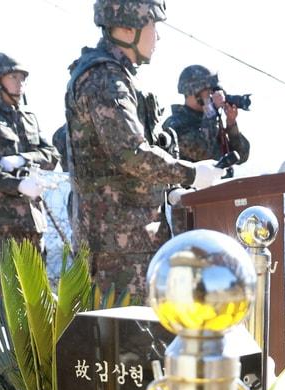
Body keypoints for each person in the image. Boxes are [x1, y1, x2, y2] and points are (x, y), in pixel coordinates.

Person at [63, 0, 224, 300]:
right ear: (127, 28)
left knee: (139, 342)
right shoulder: (104, 79)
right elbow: (131, 153)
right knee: (127, 343)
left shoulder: (118, 77)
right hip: (117, 249)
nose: (158, 36)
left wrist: (170, 187)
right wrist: (190, 173)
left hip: (130, 242)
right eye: (153, 26)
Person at [0, 53, 60, 288]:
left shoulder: (29, 119)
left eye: (22, 77)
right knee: (10, 300)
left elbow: (52, 156)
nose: (20, 83)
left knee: (37, 297)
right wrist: (17, 185)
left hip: (33, 222)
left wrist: (23, 159)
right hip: (2, 226)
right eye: (13, 77)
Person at [163, 65, 250, 168]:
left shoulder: (209, 120)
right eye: (208, 91)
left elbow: (242, 155)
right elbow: (203, 152)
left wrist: (231, 124)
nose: (212, 95)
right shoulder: (175, 124)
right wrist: (210, 110)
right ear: (193, 91)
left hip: (222, 183)